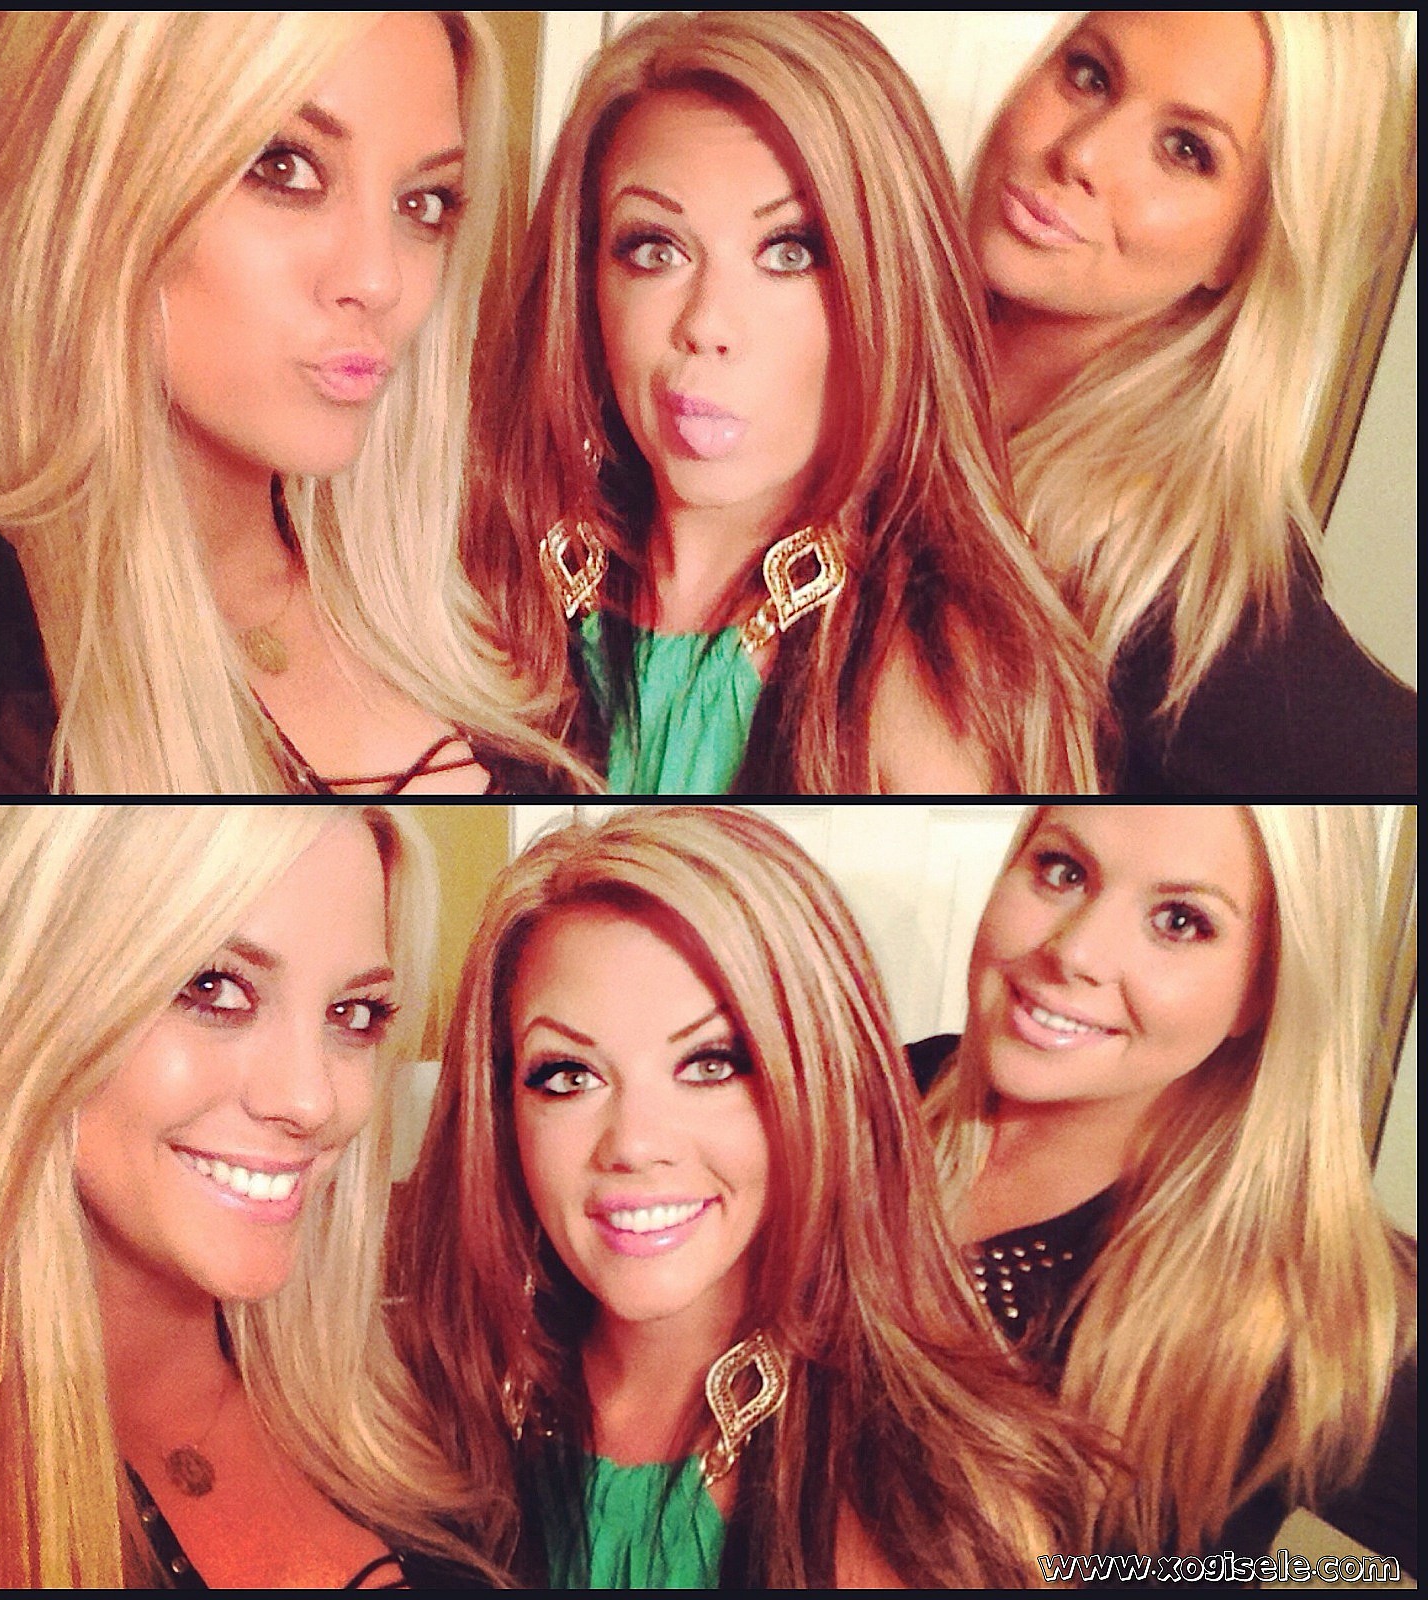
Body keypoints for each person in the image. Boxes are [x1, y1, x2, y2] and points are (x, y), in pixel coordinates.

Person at [0, 12, 574, 795]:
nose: (379, 279)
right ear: (97, 183)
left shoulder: (480, 618)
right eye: (285, 167)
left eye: (423, 203)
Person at [390, 804, 1106, 1586]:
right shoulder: (415, 1397)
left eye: (712, 1064)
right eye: (569, 1075)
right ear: (502, 1114)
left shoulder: (921, 1499)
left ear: (827, 1086)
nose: (633, 1144)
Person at [0, 805, 494, 1586]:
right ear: (12, 999)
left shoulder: (413, 1401)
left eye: (353, 1015)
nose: (313, 1101)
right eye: (213, 987)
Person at [463, 10, 1108, 795]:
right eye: (655, 249)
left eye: (791, 253)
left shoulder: (925, 677)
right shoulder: (493, 574)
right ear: (586, 284)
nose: (706, 324)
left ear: (892, 291)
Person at [919, 805, 1417, 1570]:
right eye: (1063, 870)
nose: (1075, 951)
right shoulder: (873, 1089)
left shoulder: (1317, 1301)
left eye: (1180, 921)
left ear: (1264, 987)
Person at [966, 12, 1417, 794]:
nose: (1082, 153)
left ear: (1245, 245)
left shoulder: (1190, 618)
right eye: (1089, 74)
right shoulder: (848, 348)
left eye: (1185, 150)